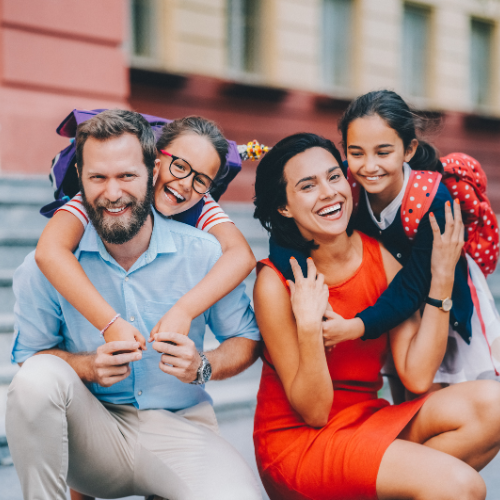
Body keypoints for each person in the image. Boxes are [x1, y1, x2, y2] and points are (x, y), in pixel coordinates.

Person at [6, 109, 262, 500]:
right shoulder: (61, 245)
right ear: (161, 163)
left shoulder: (204, 248)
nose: (112, 192)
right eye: (98, 177)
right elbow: (33, 355)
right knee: (36, 378)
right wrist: (88, 365)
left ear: (149, 171)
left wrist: (202, 364)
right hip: (94, 429)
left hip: (181, 427)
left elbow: (245, 334)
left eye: (126, 176)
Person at [252, 132, 500, 500]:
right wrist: (308, 326)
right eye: (308, 186)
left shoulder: (380, 256)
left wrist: (442, 279)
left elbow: (415, 376)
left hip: (369, 419)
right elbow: (315, 412)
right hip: (300, 442)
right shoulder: (276, 282)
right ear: (284, 207)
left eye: (334, 177)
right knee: (460, 486)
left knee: (494, 406)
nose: (329, 192)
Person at [269, 90, 500, 393]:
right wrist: (305, 283)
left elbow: (415, 284)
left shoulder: (433, 200)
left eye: (382, 152)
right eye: (356, 152)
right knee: (403, 398)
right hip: (389, 298)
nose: (368, 166)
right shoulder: (343, 184)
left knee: (443, 393)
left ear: (408, 150)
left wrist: (357, 326)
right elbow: (284, 236)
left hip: (439, 298)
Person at [35, 115, 256, 349]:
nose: (185, 183)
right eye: (179, 166)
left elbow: (242, 256)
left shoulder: (200, 200)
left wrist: (185, 309)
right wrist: (109, 323)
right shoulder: (110, 191)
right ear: (154, 159)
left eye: (201, 179)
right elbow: (49, 251)